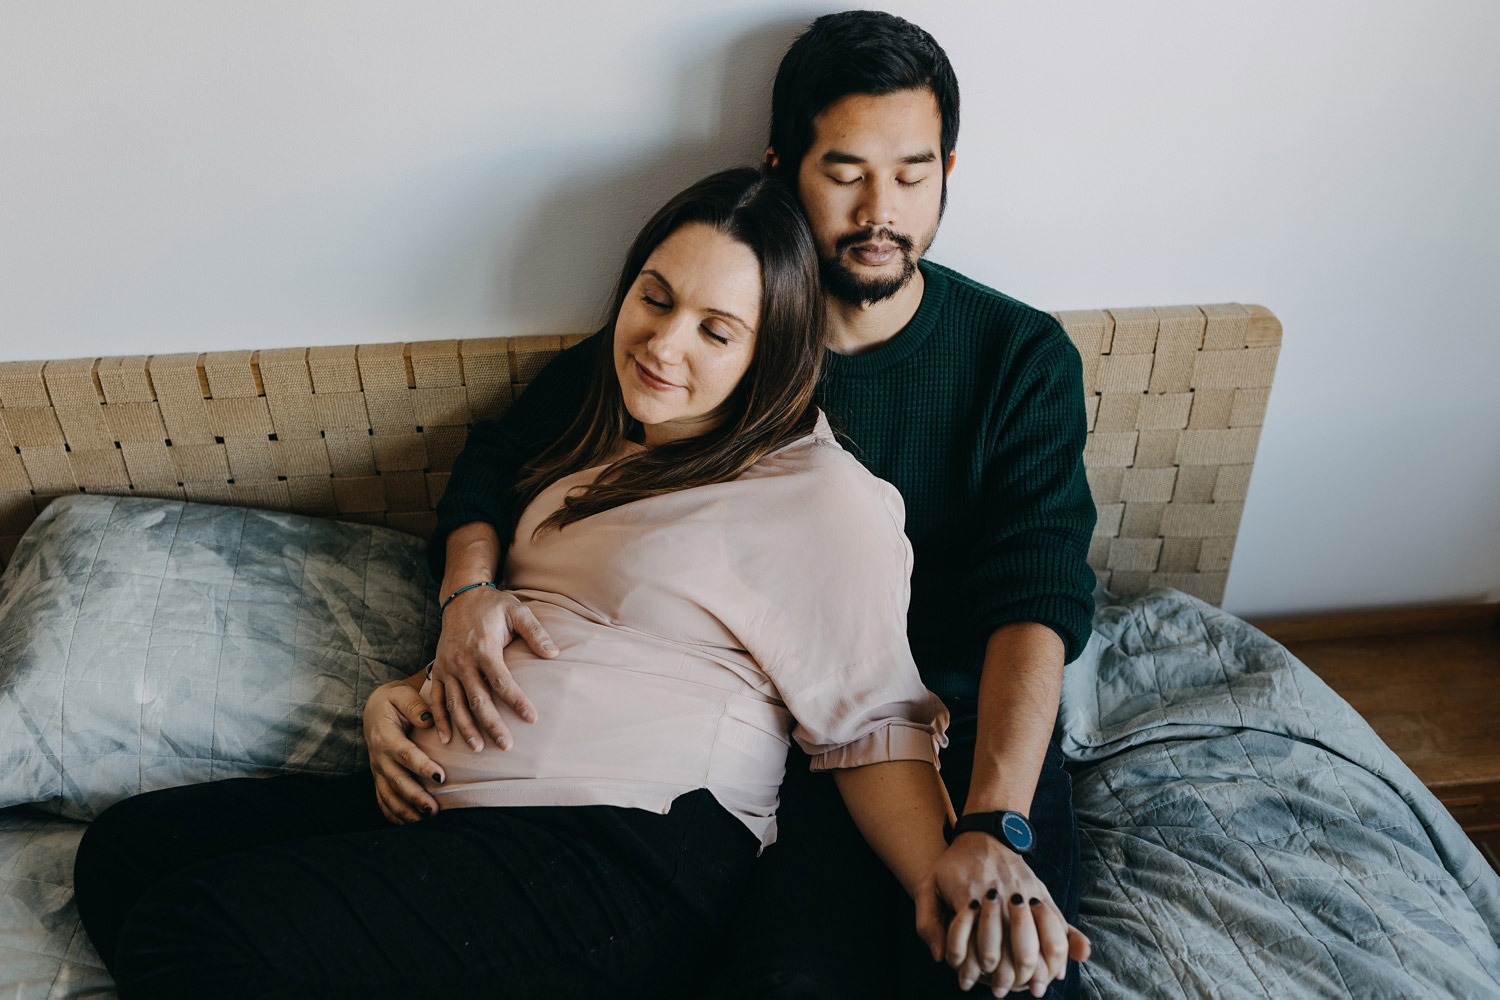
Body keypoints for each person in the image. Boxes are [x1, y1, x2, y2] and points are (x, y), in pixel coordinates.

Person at [70, 168, 1060, 999]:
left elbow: (872, 727)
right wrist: (405, 695)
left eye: (718, 330)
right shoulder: (599, 443)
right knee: (124, 852)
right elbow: (513, 531)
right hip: (458, 814)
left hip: (626, 849)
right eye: (656, 297)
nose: (664, 343)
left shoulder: (819, 496)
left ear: (773, 351)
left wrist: (967, 857)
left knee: (189, 931)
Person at [414, 11, 1097, 999]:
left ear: (950, 167)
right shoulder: (707, 343)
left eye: (913, 174)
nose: (882, 212)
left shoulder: (1018, 356)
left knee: (1006, 976)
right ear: (782, 169)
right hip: (789, 745)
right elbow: (498, 455)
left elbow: (1035, 594)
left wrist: (994, 820)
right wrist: (465, 592)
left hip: (976, 731)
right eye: (845, 172)